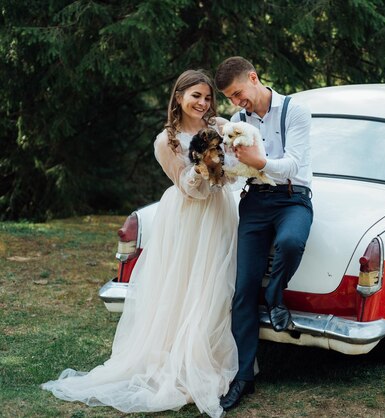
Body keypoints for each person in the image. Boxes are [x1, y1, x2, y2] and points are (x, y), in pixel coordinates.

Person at [41, 70, 238, 417]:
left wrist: (227, 158)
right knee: (183, 286)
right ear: (178, 97)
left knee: (214, 287)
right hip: (188, 215)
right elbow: (187, 187)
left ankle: (210, 354)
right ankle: (177, 361)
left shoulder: (221, 126)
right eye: (196, 96)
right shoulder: (168, 141)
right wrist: (204, 164)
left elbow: (234, 167)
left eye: (207, 97)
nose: (203, 103)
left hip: (219, 213)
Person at [214, 56, 313, 411]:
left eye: (238, 93)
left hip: (292, 198)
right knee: (242, 290)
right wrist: (223, 161)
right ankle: (244, 376)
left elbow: (293, 165)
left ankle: (275, 294)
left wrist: (259, 161)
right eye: (229, 97)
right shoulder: (237, 121)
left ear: (253, 78)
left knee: (290, 242)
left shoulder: (295, 111)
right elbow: (237, 171)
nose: (235, 103)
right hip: (255, 201)